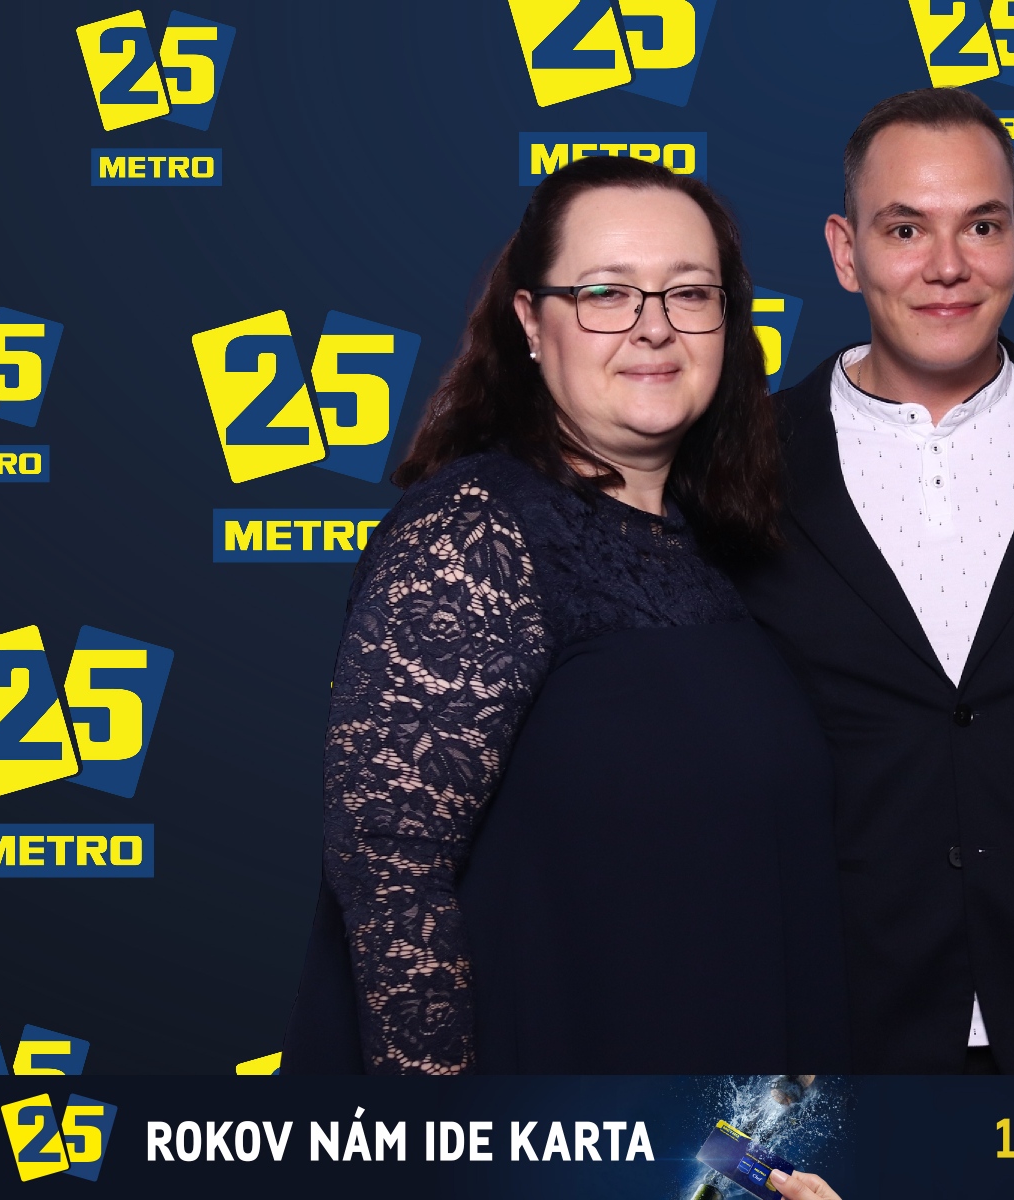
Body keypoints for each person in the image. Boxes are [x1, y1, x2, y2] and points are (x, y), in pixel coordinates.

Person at [281, 153, 850, 1075]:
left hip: (717, 1123)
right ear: (530, 322)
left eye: (689, 294)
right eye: (606, 293)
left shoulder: (711, 546)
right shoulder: (476, 532)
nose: (654, 327)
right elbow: (390, 871)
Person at [729, 88, 1014, 1073]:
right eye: (905, 229)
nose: (948, 266)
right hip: (838, 1021)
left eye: (981, 226)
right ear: (846, 252)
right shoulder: (745, 461)